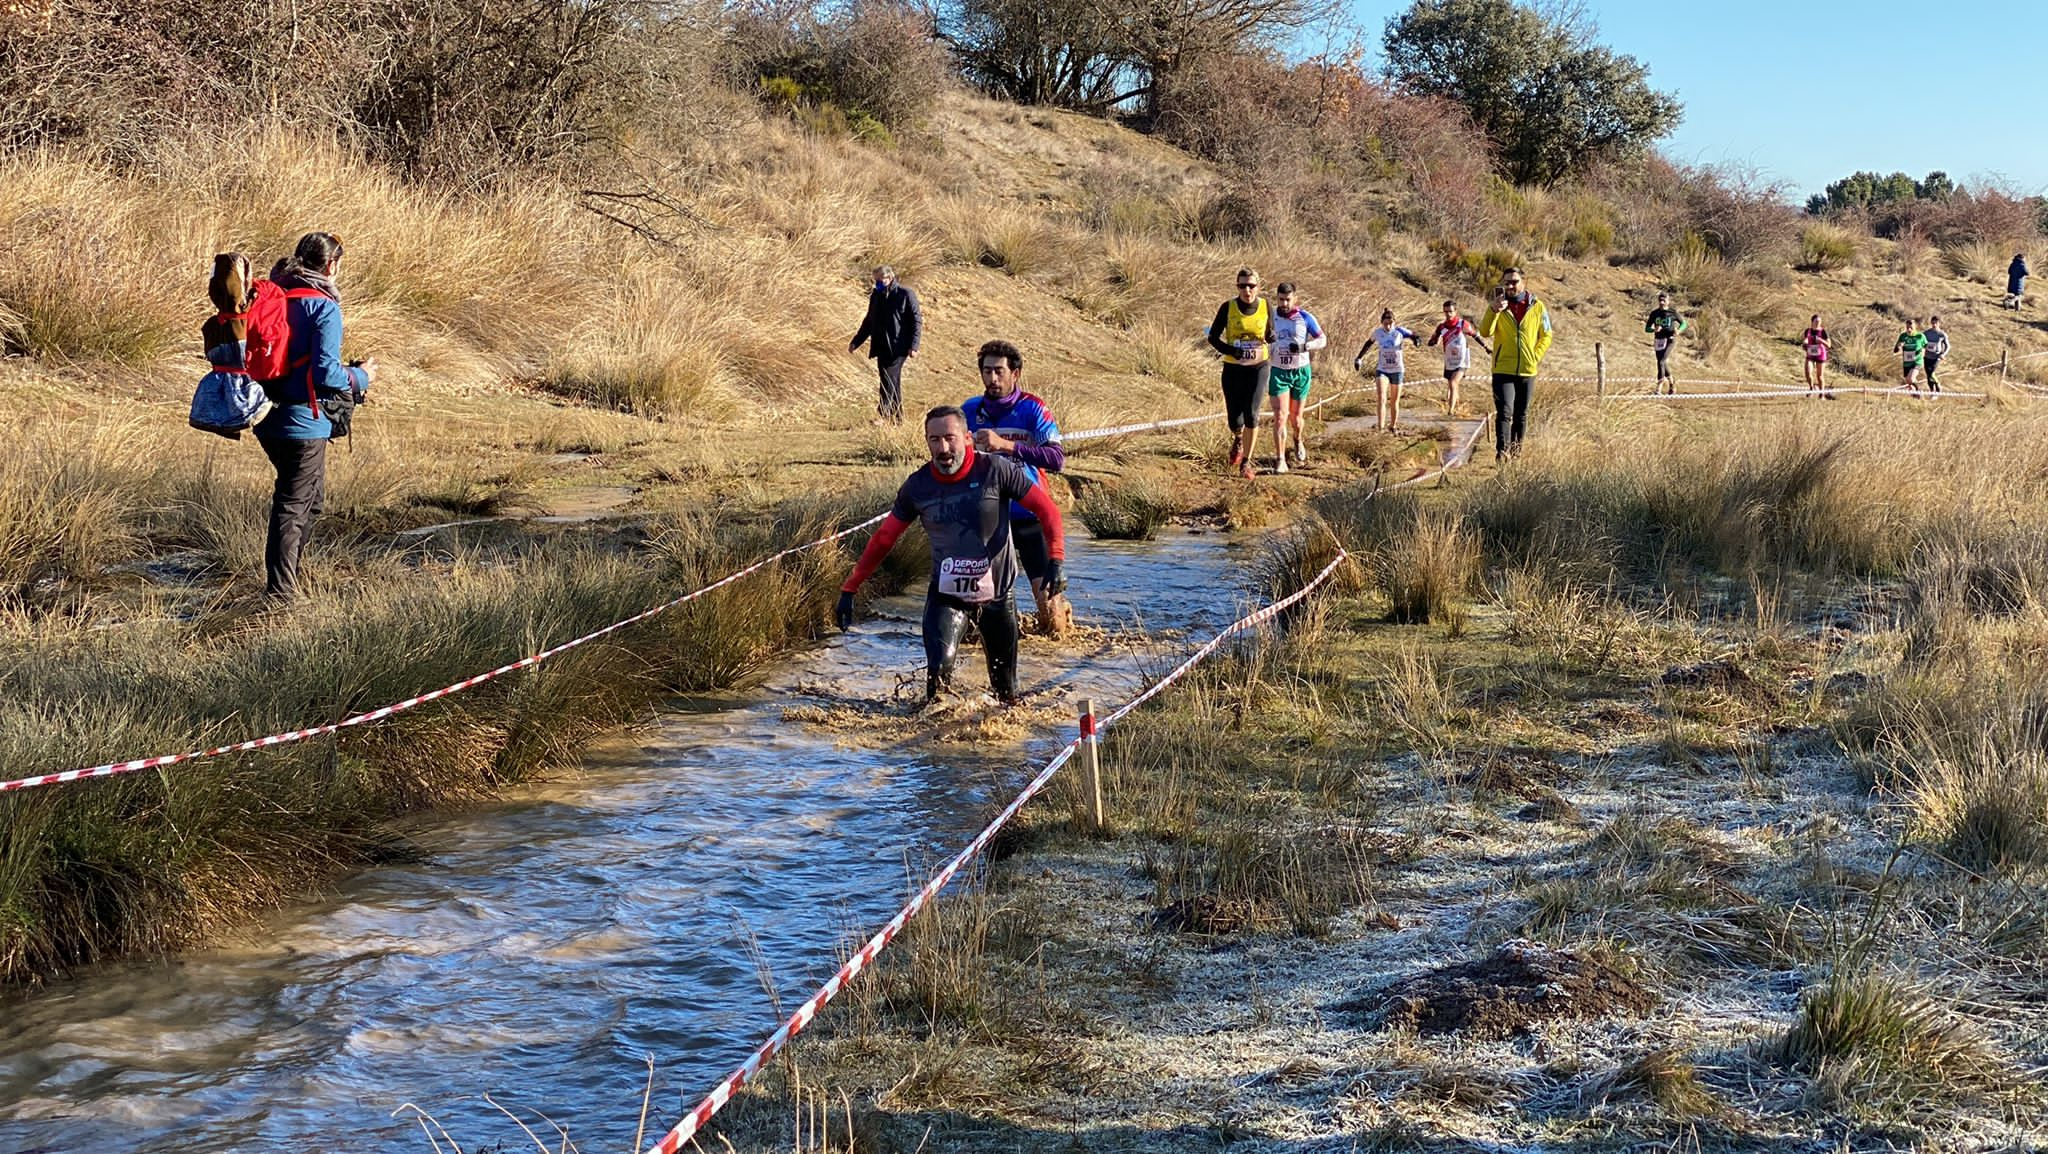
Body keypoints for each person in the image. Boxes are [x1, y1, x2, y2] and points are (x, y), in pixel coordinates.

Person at [836, 405, 1068, 705]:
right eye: (934, 440)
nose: (943, 448)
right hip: (946, 598)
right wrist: (850, 587)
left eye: (950, 438)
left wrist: (1056, 559)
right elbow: (884, 538)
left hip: (997, 599)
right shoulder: (918, 486)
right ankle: (934, 747)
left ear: (967, 438)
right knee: (939, 678)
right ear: (926, 441)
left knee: (1006, 696)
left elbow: (1046, 510)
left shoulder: (996, 471)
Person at [252, 232, 376, 602]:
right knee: (293, 505)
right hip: (304, 421)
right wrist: (361, 376)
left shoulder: (274, 297)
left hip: (266, 416)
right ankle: (281, 595)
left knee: (311, 499)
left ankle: (289, 580)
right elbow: (325, 374)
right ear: (331, 265)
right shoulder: (323, 307)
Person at [960, 340, 1069, 632]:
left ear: (1015, 374)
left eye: (999, 371)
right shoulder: (969, 411)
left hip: (1029, 515)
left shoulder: (1034, 409)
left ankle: (1060, 620)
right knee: (980, 612)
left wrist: (1006, 445)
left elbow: (1057, 460)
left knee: (1052, 620)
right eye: (986, 372)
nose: (992, 379)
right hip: (989, 520)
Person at [1479, 269, 1552, 460]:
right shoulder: (1498, 306)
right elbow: (1485, 331)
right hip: (1503, 368)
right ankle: (1502, 453)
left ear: (1524, 282)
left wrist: (1535, 356)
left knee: (1521, 414)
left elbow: (1547, 334)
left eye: (1514, 282)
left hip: (1528, 370)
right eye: (1507, 283)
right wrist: (1493, 310)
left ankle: (1516, 453)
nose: (1510, 286)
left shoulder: (1537, 306)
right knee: (1504, 412)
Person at [1206, 268, 1272, 479]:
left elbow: (1271, 332)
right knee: (1235, 419)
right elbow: (1213, 338)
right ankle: (1237, 438)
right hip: (1233, 368)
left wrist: (1272, 338)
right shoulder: (1228, 307)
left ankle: (1246, 462)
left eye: (1251, 286)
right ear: (1237, 287)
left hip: (1258, 366)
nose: (1247, 290)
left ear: (1257, 287)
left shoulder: (1265, 305)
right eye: (1242, 286)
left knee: (1252, 414)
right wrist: (1232, 350)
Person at [848, 265, 922, 424]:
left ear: (890, 278)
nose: (878, 284)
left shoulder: (905, 294)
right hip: (881, 346)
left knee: (888, 378)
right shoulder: (876, 296)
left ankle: (883, 413)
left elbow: (916, 321)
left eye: (880, 281)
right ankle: (898, 419)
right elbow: (869, 321)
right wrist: (856, 341)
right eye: (876, 281)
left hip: (899, 347)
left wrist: (914, 346)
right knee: (891, 380)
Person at [1266, 282, 1326, 473]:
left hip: (1300, 371)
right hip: (1279, 371)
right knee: (1280, 416)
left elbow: (1322, 340)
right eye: (1281, 299)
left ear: (1295, 299)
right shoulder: (1270, 317)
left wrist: (1304, 347)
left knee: (1296, 418)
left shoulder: (1305, 317)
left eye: (1288, 300)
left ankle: (1298, 440)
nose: (1284, 303)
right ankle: (1280, 459)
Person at [1354, 309, 1418, 432]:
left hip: (1397, 370)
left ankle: (1393, 426)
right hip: (1382, 369)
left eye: (1391, 323)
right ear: (1381, 323)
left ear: (1394, 322)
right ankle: (1380, 427)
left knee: (1394, 401)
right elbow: (1368, 344)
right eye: (1385, 324)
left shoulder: (1399, 331)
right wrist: (1359, 358)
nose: (1388, 326)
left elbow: (1414, 335)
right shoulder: (1378, 332)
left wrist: (1417, 341)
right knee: (1381, 398)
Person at [1427, 299, 1489, 416]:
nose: (1448, 314)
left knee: (1453, 383)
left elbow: (1475, 335)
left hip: (1462, 360)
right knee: (1451, 385)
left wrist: (1486, 347)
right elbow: (1431, 340)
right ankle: (1458, 408)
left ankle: (1450, 412)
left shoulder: (1462, 324)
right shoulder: (1441, 327)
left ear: (1455, 311)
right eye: (1446, 312)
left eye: (1450, 311)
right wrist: (1434, 341)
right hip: (1449, 360)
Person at [1645, 292, 1686, 395]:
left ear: (1668, 301)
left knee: (1661, 361)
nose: (1662, 303)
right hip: (1659, 339)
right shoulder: (1654, 313)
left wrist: (1679, 330)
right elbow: (1647, 328)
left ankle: (1659, 386)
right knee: (1661, 361)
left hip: (1670, 338)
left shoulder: (1673, 312)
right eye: (1660, 300)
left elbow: (1684, 323)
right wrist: (1654, 329)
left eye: (1664, 300)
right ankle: (1672, 382)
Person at [1800, 315, 1833, 398]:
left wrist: (1821, 340)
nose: (1818, 323)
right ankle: (1811, 388)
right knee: (1808, 372)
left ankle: (1821, 394)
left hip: (1820, 355)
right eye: (1816, 321)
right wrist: (1804, 344)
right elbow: (1805, 340)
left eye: (1819, 321)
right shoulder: (1807, 331)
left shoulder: (1823, 332)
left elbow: (1829, 345)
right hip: (1810, 354)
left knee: (1820, 376)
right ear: (1812, 322)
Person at [1894, 318, 1927, 395]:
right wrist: (1898, 347)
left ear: (1915, 327)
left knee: (1911, 379)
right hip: (1907, 362)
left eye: (1911, 327)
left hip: (1917, 361)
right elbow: (1895, 350)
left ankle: (1919, 392)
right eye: (1907, 327)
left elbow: (1926, 345)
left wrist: (1923, 352)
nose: (1909, 329)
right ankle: (1916, 395)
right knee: (1908, 381)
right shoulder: (1903, 336)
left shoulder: (1920, 336)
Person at [1921, 315, 1950, 394]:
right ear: (1931, 323)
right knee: (1928, 375)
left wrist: (1943, 354)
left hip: (1936, 357)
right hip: (1927, 356)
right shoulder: (1926, 333)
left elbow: (1948, 346)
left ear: (1939, 323)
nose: (1934, 325)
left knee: (1931, 372)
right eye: (1933, 323)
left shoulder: (1942, 334)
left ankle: (1937, 385)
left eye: (1936, 323)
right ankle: (1932, 391)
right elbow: (1921, 343)